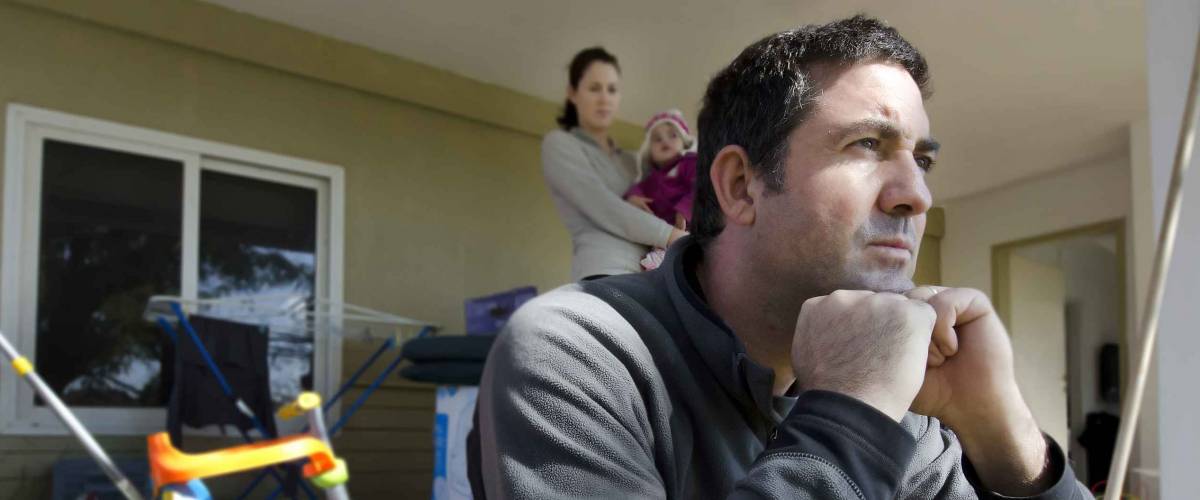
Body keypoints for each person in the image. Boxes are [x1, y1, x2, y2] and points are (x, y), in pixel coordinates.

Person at [470, 15, 1091, 499]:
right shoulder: (575, 356)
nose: (917, 195)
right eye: (868, 144)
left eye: (922, 161)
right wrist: (850, 413)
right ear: (742, 186)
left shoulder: (906, 388)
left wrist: (1007, 441)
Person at [542, 47, 687, 281]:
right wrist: (673, 237)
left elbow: (673, 190)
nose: (604, 98)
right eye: (594, 88)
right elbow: (604, 206)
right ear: (572, 93)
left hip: (654, 277)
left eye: (612, 89)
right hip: (605, 273)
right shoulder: (560, 144)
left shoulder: (633, 162)